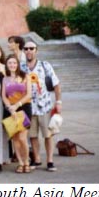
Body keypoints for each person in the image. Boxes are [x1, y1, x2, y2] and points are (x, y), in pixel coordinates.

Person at [23, 40, 62, 172]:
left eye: (31, 48)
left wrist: (58, 102)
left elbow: (56, 84)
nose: (29, 51)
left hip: (44, 106)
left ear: (36, 50)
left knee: (48, 135)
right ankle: (37, 158)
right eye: (26, 49)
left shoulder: (45, 66)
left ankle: (50, 161)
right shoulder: (21, 67)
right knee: (32, 135)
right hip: (29, 107)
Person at [2, 54, 33, 173]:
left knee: (22, 138)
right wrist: (10, 108)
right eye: (10, 63)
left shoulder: (25, 76)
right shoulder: (5, 79)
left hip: (24, 108)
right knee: (15, 138)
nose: (12, 65)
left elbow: (29, 94)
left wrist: (17, 105)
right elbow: (4, 96)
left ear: (18, 64)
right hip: (10, 109)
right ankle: (20, 163)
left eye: (14, 63)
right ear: (6, 65)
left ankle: (26, 161)